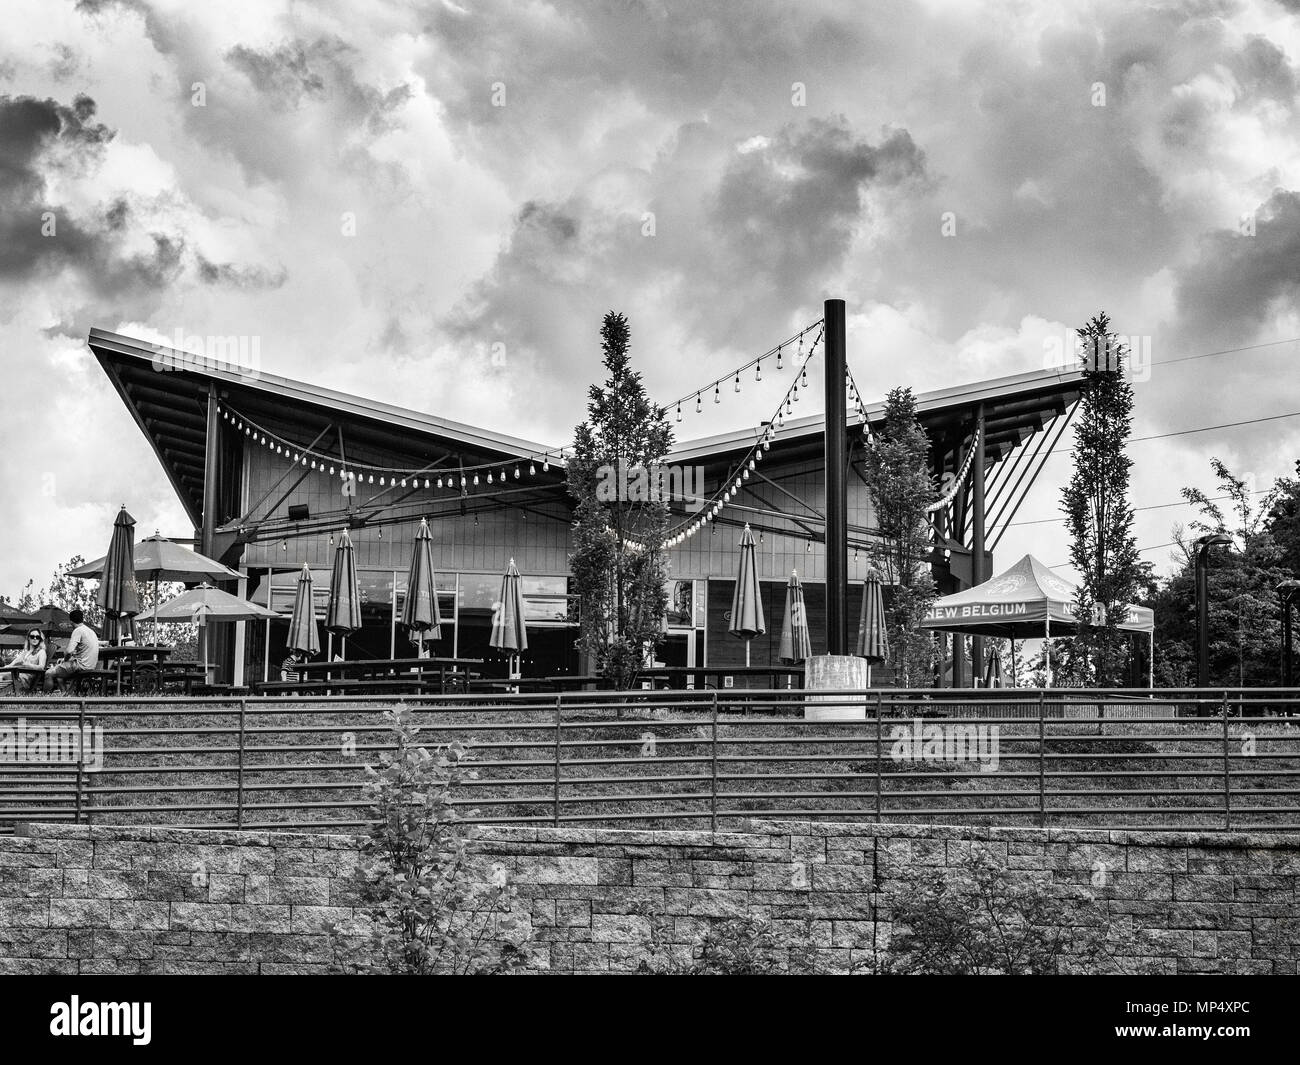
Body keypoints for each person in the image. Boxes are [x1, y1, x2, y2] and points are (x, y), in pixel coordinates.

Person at [44, 609, 99, 693]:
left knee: (48, 673)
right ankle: (65, 696)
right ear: (82, 619)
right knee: (60, 676)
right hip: (91, 666)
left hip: (80, 666)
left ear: (71, 621)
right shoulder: (91, 631)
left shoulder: (78, 631)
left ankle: (44, 698)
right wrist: (65, 661)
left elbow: (69, 651)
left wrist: (65, 660)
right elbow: (81, 652)